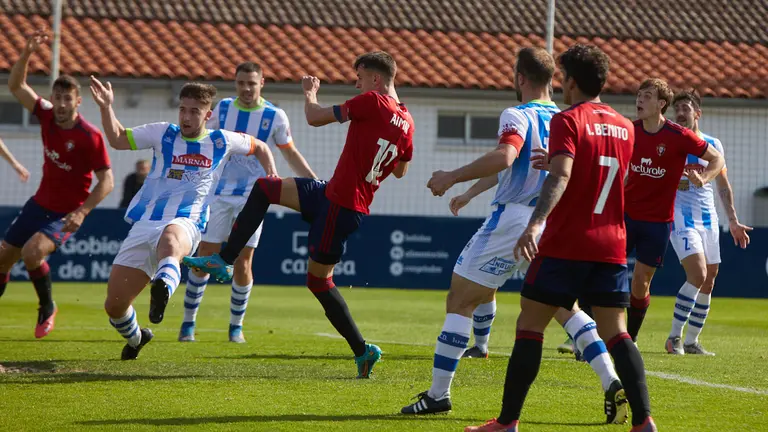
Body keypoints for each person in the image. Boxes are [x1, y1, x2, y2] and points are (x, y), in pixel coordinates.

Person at [401, 47, 627, 425]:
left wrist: (451, 176)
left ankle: (438, 395)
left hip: (514, 221)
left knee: (459, 298)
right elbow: (518, 163)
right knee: (560, 306)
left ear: (520, 77)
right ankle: (611, 379)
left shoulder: (517, 114)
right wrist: (472, 191)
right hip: (552, 221)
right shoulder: (565, 115)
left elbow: (507, 156)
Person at [183, 51, 413, 378]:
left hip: (341, 206)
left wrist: (310, 94)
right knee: (265, 187)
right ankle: (224, 259)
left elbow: (314, 117)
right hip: (334, 195)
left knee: (318, 282)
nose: (356, 84)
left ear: (376, 80)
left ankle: (363, 350)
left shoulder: (373, 101)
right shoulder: (408, 121)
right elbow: (402, 170)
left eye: (359, 77)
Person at [465, 44, 657, 432]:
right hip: (611, 245)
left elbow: (563, 176)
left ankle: (507, 422)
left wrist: (536, 223)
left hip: (567, 243)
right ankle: (644, 422)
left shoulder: (567, 120)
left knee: (530, 325)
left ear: (570, 80)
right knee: (617, 332)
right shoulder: (625, 127)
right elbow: (613, 178)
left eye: (563, 76)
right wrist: (554, 162)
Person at [89, 76, 277, 360]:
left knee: (170, 240)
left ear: (208, 114)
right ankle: (137, 337)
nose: (187, 116)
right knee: (114, 306)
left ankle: (163, 286)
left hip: (187, 221)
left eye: (194, 111)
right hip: (145, 223)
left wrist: (271, 177)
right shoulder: (162, 133)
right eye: (183, 109)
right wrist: (106, 107)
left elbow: (260, 147)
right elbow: (117, 139)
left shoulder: (221, 140)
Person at [179, 61, 316, 343]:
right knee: (205, 253)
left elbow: (289, 152)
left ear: (262, 83)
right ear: (236, 83)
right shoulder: (224, 109)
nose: (246, 88)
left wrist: (315, 183)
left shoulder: (275, 116)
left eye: (251, 83)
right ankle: (188, 323)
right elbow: (201, 138)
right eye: (241, 83)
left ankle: (235, 327)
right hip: (217, 195)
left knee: (243, 261)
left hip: (252, 198)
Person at [0, 31, 114, 338]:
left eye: (68, 98)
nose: (62, 104)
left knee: (33, 252)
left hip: (65, 214)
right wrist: (25, 54)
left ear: (78, 100)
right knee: (2, 260)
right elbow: (15, 86)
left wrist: (82, 212)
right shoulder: (46, 116)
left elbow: (108, 180)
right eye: (57, 97)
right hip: (38, 204)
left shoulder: (90, 137)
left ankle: (47, 306)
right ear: (53, 99)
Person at [624, 78, 725, 343]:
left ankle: (630, 339)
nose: (640, 100)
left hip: (658, 222)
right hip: (624, 215)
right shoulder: (628, 130)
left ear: (661, 104)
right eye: (639, 95)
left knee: (640, 282)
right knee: (601, 271)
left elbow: (717, 158)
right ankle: (583, 336)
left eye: (647, 96)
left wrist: (704, 177)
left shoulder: (678, 136)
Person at [665, 89, 752, 355]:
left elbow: (723, 186)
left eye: (685, 109)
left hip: (708, 217)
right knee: (697, 273)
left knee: (709, 279)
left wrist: (734, 221)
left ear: (697, 114)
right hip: (679, 215)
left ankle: (691, 341)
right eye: (676, 109)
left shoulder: (712, 145)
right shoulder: (668, 143)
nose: (680, 113)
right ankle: (673, 338)